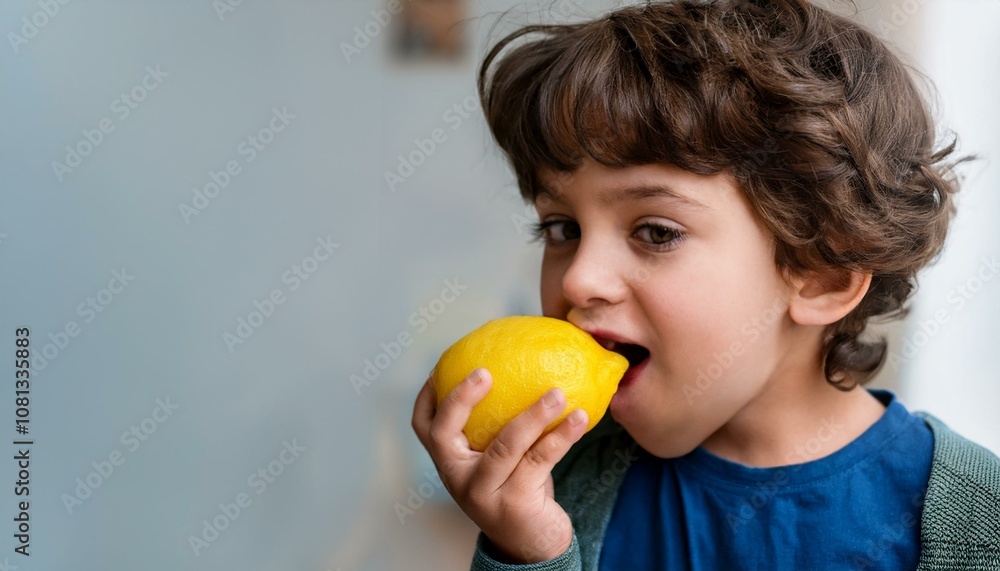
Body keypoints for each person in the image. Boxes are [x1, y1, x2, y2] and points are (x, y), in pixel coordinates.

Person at [411, 1, 1000, 569]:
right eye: (562, 228)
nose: (579, 278)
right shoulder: (554, 476)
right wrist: (528, 554)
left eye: (657, 232)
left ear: (822, 277)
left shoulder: (977, 521)